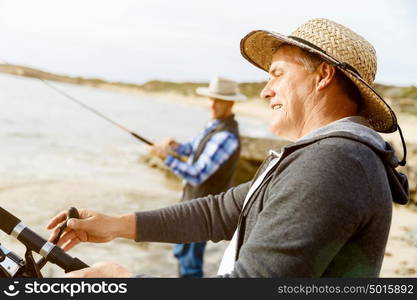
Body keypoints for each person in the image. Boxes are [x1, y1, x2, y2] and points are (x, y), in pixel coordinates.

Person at [48, 18, 409, 278]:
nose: (266, 91)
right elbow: (219, 212)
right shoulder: (324, 156)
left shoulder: (333, 164)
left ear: (323, 75)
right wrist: (117, 225)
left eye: (278, 74)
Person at [149, 76, 247, 277]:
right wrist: (175, 146)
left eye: (217, 100)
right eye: (211, 98)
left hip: (202, 212)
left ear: (230, 103)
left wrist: (165, 158)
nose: (211, 104)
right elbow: (192, 149)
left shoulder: (226, 136)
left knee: (190, 265)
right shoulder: (213, 125)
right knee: (182, 254)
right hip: (189, 204)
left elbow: (197, 175)